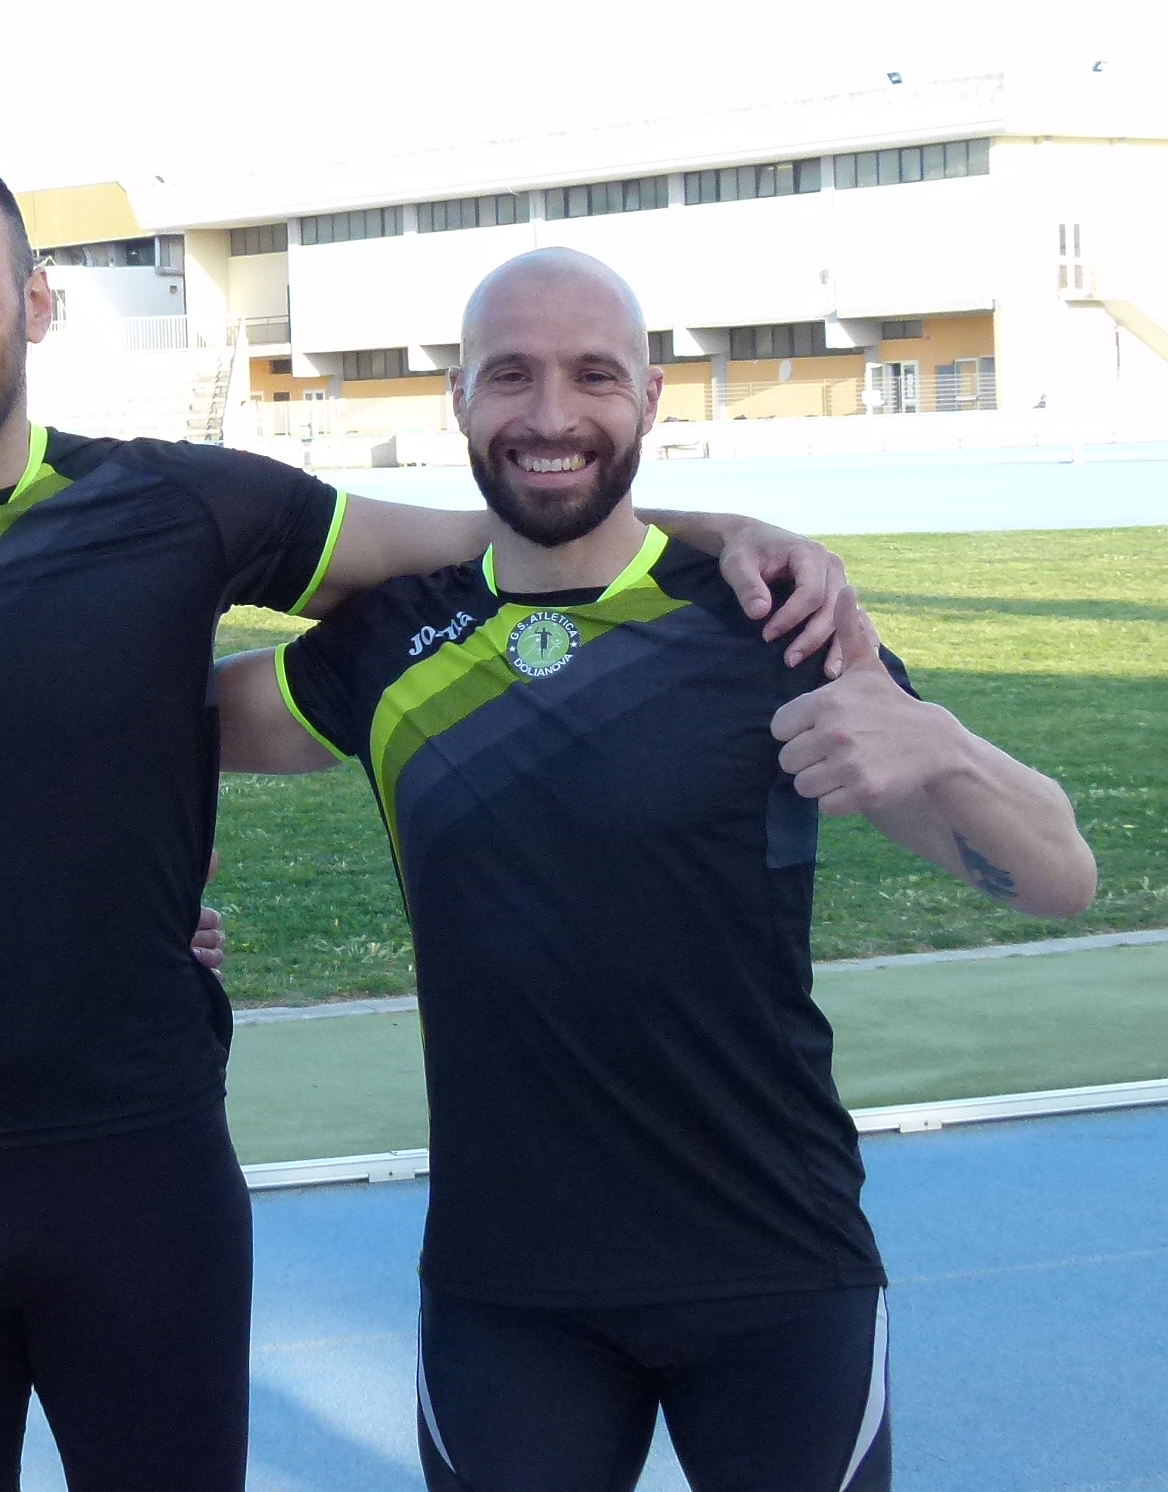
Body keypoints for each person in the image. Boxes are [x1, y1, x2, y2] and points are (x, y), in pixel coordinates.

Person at [0, 149, 865, 1492]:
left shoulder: (183, 505)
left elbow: (497, 538)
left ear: (35, 302)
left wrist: (717, 531)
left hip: (137, 1175)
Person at [213, 248, 1097, 1492]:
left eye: (594, 375)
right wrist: (142, 898)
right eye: (510, 376)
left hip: (773, 1265)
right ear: (458, 398)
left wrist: (942, 745)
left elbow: (1059, 876)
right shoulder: (394, 641)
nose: (552, 414)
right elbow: (145, 724)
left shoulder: (769, 621)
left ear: (650, 397)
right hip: (508, 1285)